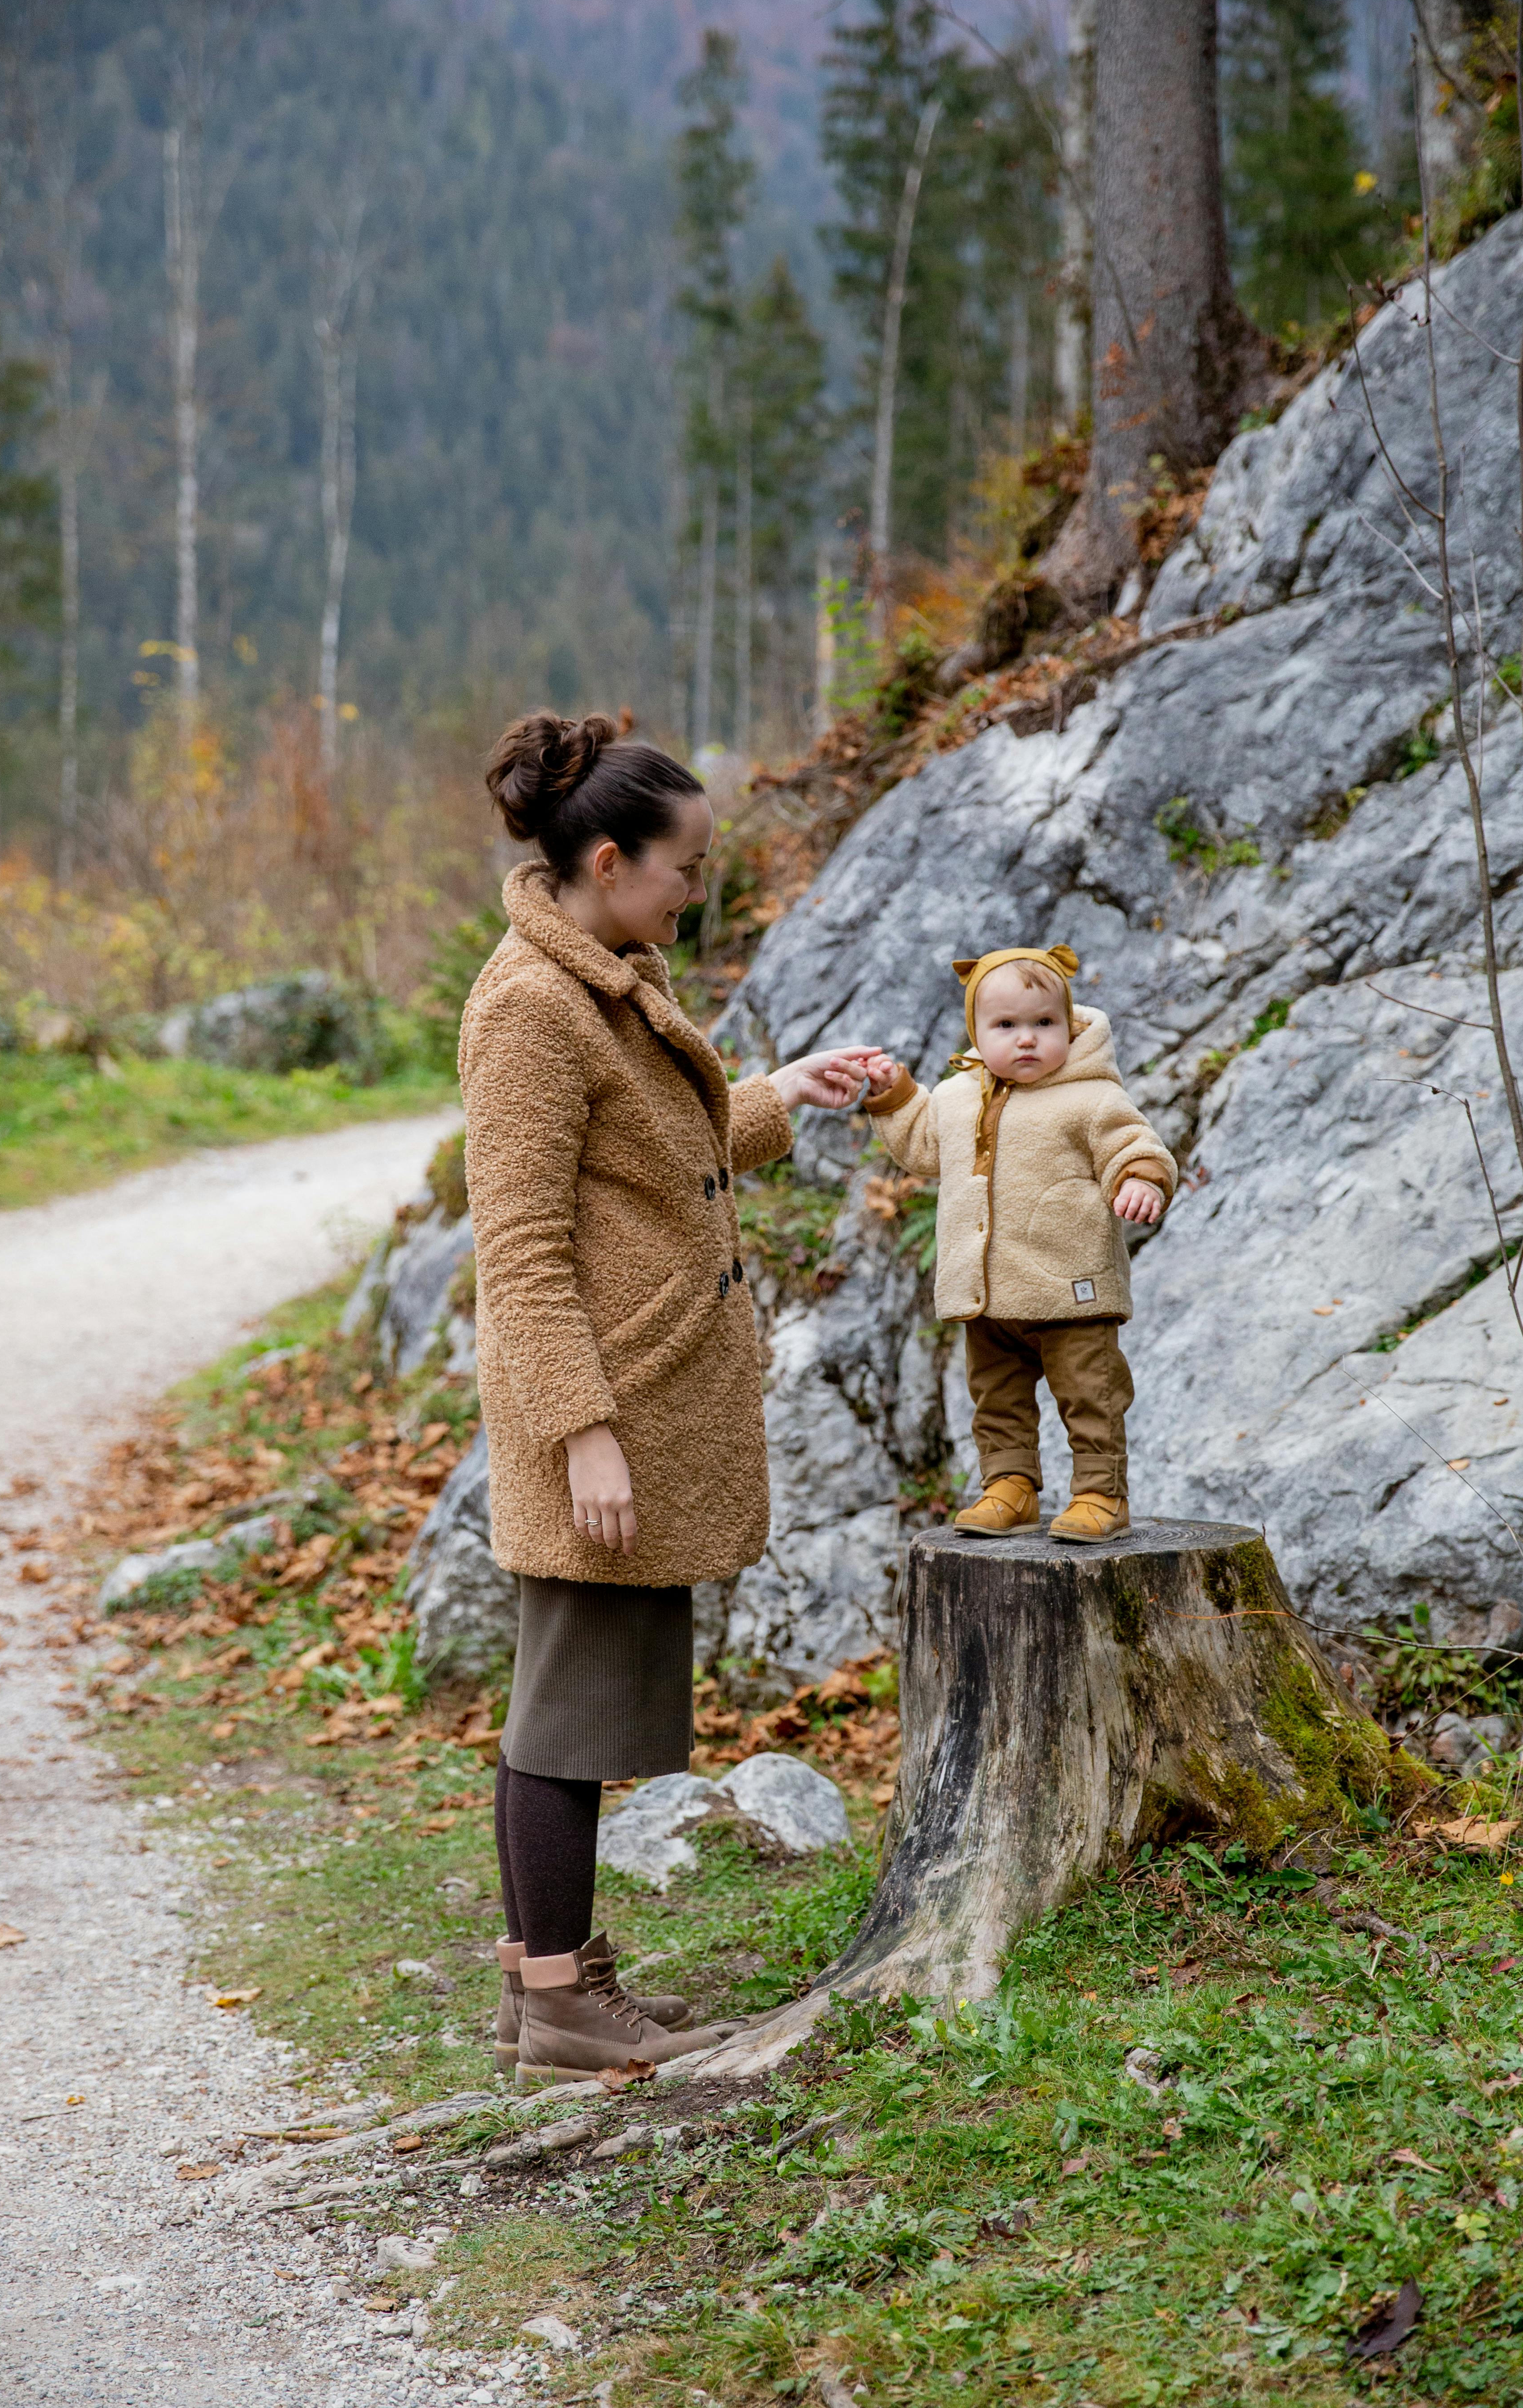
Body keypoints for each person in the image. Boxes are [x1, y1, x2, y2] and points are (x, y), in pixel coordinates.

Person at [460, 709, 882, 2086]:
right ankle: (561, 2004)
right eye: (684, 865)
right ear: (603, 859)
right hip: (606, 1402)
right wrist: (583, 1433)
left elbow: (655, 1159)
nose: (696, 887)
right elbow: (518, 1246)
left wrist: (782, 1094)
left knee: (573, 1708)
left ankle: (550, 1994)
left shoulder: (602, 970)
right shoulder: (529, 1005)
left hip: (640, 1392)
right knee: (564, 1713)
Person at [859, 944, 1175, 1543]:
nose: (1027, 1039)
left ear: (1071, 1024)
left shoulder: (1090, 1095)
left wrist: (1140, 1178)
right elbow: (925, 1147)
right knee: (996, 1398)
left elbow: (1131, 1142)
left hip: (1071, 1286)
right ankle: (1010, 1485)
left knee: (1091, 1394)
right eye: (1007, 1026)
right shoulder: (957, 1097)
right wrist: (895, 1093)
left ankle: (1101, 1492)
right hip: (989, 1292)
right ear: (976, 1030)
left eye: (1044, 1023)